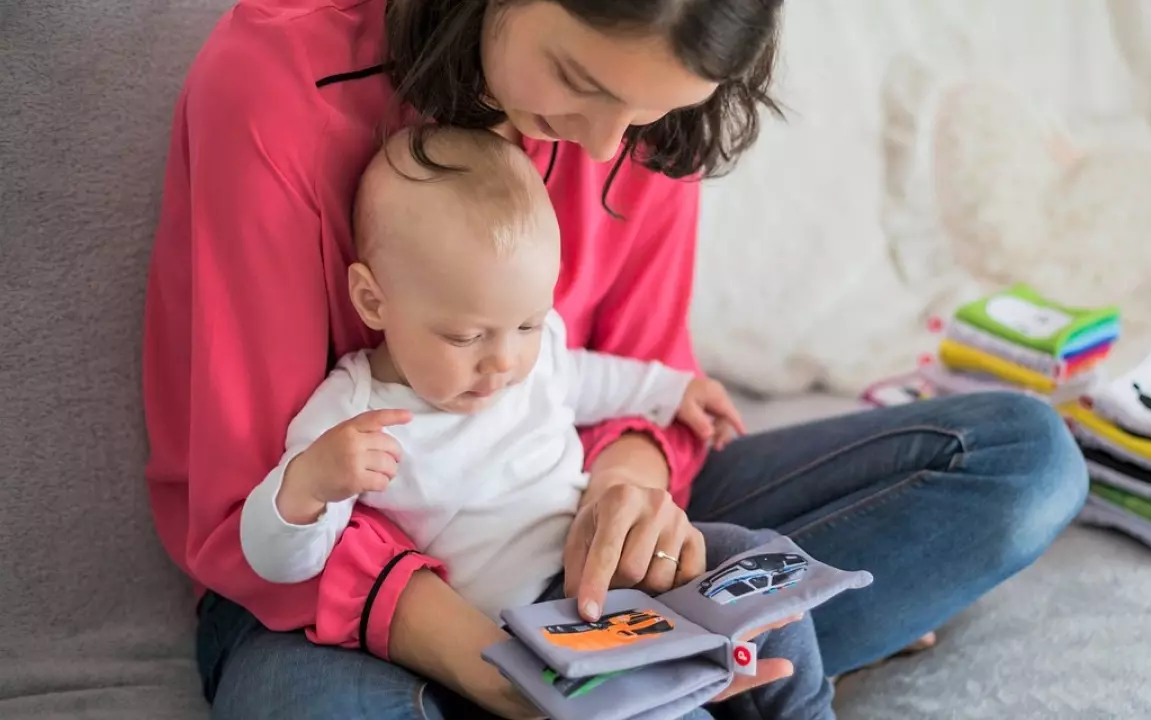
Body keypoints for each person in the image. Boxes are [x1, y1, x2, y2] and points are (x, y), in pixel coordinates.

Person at [142, 0, 1089, 717]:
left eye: (647, 112)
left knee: (1024, 461)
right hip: (329, 591)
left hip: (571, 543)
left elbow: (639, 377)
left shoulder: (639, 121)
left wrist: (627, 495)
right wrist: (501, 669)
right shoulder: (273, 86)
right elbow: (254, 507)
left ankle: (676, 669)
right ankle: (679, 678)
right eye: (580, 82)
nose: (606, 145)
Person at [235, 126, 834, 719]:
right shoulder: (354, 414)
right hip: (535, 624)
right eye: (465, 336)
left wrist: (672, 390)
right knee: (658, 709)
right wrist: (308, 487)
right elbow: (280, 562)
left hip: (613, 558)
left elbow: (585, 377)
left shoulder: (529, 352)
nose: (503, 361)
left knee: (763, 565)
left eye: (526, 324)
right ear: (373, 300)